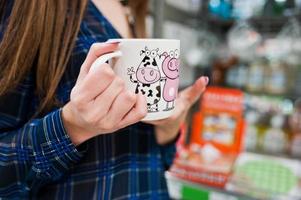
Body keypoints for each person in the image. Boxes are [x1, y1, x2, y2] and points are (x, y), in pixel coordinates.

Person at [0, 0, 208, 199]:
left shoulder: (129, 9)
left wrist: (167, 130)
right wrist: (72, 125)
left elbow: (152, 157)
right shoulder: (33, 6)